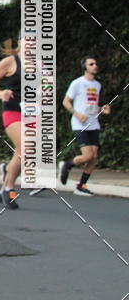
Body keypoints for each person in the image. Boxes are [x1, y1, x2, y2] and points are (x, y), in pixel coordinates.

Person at [59, 57, 111, 196]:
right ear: (85, 67)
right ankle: (67, 164)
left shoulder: (97, 85)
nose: (95, 66)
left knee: (93, 157)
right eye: (91, 64)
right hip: (79, 124)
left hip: (94, 123)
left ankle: (81, 186)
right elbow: (66, 102)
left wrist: (102, 109)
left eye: (96, 63)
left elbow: (91, 105)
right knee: (87, 156)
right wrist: (77, 114)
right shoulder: (77, 83)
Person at [0, 37, 24, 209]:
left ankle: (2, 188)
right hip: (12, 110)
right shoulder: (10, 61)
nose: (32, 42)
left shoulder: (41, 64)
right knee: (25, 148)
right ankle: (9, 189)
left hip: (32, 114)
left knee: (23, 153)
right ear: (20, 41)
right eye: (28, 38)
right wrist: (0, 94)